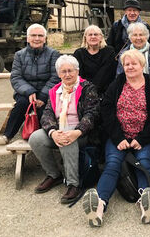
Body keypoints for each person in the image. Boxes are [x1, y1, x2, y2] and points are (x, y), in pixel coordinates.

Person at [83, 50, 150, 226]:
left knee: (144, 162)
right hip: (119, 136)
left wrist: (142, 139)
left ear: (142, 65)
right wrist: (118, 137)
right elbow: (106, 111)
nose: (130, 67)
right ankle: (99, 206)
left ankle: (147, 203)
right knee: (112, 164)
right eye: (127, 64)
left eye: (134, 63)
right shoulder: (117, 84)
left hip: (144, 137)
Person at [29, 55, 99, 204]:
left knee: (67, 139)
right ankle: (54, 175)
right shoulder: (55, 91)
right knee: (36, 138)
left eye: (70, 71)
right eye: (63, 71)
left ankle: (74, 184)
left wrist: (76, 131)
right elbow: (47, 114)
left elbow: (91, 114)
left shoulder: (87, 88)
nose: (67, 74)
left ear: (77, 71)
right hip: (59, 130)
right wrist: (53, 132)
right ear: (59, 74)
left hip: (81, 133)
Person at [0, 24, 60, 145]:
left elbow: (56, 77)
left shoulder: (53, 54)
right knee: (22, 104)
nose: (37, 38)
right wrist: (30, 92)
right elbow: (16, 77)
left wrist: (43, 96)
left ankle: (43, 139)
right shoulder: (19, 55)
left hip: (47, 92)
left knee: (43, 109)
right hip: (25, 93)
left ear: (45, 38)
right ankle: (7, 135)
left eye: (40, 35)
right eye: (33, 35)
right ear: (28, 38)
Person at [116, 22, 150, 96]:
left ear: (146, 36)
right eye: (135, 35)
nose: (138, 38)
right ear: (130, 37)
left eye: (141, 35)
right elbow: (120, 76)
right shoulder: (124, 54)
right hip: (130, 92)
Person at [73, 25, 116, 95]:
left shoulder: (109, 52)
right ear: (85, 38)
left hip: (105, 91)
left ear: (101, 37)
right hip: (83, 91)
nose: (93, 37)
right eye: (90, 35)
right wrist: (87, 91)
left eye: (96, 34)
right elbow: (79, 75)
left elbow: (106, 74)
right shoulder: (79, 53)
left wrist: (93, 90)